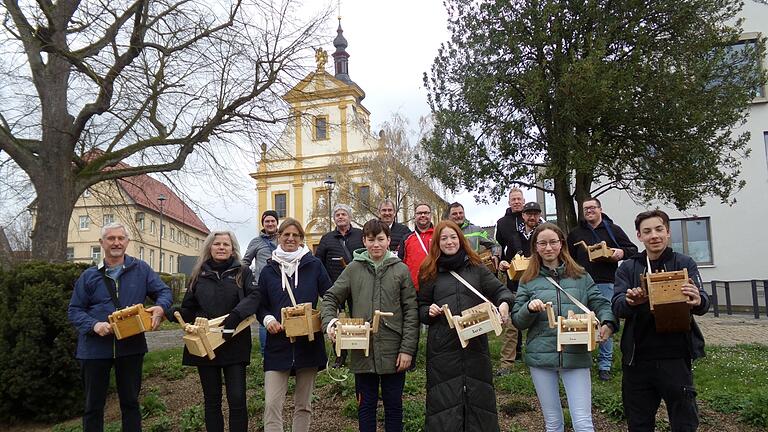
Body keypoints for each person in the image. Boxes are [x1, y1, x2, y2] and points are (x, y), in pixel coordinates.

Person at [512, 223, 617, 432]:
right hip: (541, 357)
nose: (548, 248)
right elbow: (517, 320)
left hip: (576, 354)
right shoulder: (527, 280)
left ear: (562, 245)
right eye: (542, 243)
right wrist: (528, 309)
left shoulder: (580, 275)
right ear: (535, 247)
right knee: (552, 423)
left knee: (583, 421)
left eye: (553, 242)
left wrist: (608, 322)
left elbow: (599, 302)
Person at [68, 223, 172, 432]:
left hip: (131, 347)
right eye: (111, 238)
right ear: (101, 243)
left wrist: (160, 308)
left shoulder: (141, 269)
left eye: (120, 238)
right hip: (94, 349)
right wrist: (94, 325)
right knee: (92, 407)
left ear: (127, 242)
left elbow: (164, 292)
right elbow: (74, 310)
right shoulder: (89, 276)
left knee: (131, 404)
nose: (116, 242)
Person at [613, 210, 709, 431]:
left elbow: (703, 301)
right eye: (647, 231)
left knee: (684, 422)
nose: (653, 235)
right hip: (638, 359)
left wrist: (697, 299)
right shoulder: (628, 267)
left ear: (668, 232)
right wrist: (630, 301)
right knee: (639, 423)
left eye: (658, 230)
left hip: (675, 356)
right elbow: (617, 306)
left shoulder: (684, 263)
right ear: (639, 236)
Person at [321, 219, 419, 432]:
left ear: (389, 241)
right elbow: (330, 298)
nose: (376, 244)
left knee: (394, 406)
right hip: (362, 349)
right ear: (364, 241)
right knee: (365, 406)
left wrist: (407, 349)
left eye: (381, 239)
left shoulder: (400, 270)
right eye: (371, 239)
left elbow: (411, 311)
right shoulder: (353, 269)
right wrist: (331, 323)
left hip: (394, 349)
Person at [417, 220, 513, 431]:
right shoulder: (429, 271)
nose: (449, 242)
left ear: (460, 240)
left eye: (453, 237)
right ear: (437, 243)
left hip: (475, 344)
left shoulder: (476, 267)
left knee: (479, 400)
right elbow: (421, 308)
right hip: (443, 347)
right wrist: (429, 311)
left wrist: (504, 305)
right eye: (444, 238)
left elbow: (501, 292)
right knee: (444, 404)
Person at [172, 230, 260, 432]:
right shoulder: (198, 274)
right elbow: (189, 308)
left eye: (226, 244)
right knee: (212, 400)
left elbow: (254, 297)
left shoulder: (243, 272)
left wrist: (235, 317)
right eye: (217, 244)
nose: (221, 247)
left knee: (237, 399)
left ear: (232, 249)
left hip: (234, 341)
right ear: (209, 247)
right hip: (206, 344)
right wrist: (173, 312)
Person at [257, 218, 331, 432]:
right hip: (278, 344)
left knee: (303, 405)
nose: (290, 238)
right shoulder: (268, 270)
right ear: (278, 237)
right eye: (286, 235)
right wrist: (268, 319)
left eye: (295, 235)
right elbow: (260, 305)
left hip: (308, 344)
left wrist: (327, 319)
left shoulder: (314, 265)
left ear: (301, 239)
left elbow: (330, 294)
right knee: (271, 404)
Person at [567, 197, 637, 381]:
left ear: (600, 209)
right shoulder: (575, 233)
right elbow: (568, 258)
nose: (589, 211)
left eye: (592, 208)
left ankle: (604, 365)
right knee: (581, 323)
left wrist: (621, 253)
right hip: (580, 283)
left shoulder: (612, 230)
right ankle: (582, 361)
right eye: (585, 209)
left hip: (606, 282)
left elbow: (632, 249)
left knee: (605, 321)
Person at [495, 188, 526, 369]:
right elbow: (498, 246)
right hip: (512, 274)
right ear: (509, 202)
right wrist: (500, 261)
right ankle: (514, 353)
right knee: (514, 312)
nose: (516, 202)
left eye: (519, 199)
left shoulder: (532, 217)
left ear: (523, 200)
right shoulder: (502, 222)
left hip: (531, 272)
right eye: (513, 199)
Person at [242, 209, 279, 355]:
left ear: (277, 223)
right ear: (263, 223)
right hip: (262, 286)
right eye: (267, 221)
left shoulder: (283, 238)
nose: (270, 224)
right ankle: (266, 354)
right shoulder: (256, 242)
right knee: (264, 319)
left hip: (282, 284)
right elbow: (245, 262)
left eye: (272, 221)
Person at [314, 203, 364, 283]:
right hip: (336, 285)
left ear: (350, 217)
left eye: (344, 214)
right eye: (337, 215)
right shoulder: (326, 238)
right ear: (334, 219)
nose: (340, 217)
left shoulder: (360, 234)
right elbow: (319, 262)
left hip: (358, 282)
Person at [398, 203, 434, 290]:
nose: (423, 215)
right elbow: (400, 263)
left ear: (430, 215)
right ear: (415, 216)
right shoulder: (406, 239)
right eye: (419, 213)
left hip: (436, 286)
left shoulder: (440, 235)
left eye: (426, 213)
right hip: (413, 288)